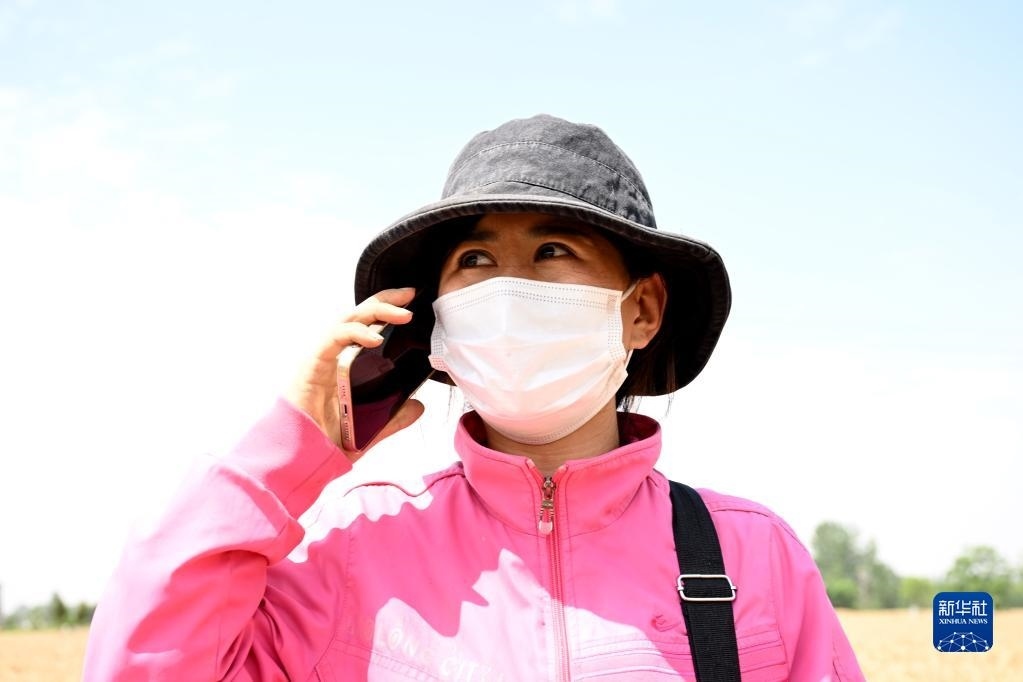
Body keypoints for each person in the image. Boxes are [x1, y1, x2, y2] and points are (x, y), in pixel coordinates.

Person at [84, 114, 865, 681]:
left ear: (641, 310)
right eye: (475, 260)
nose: (506, 290)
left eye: (551, 249)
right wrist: (285, 452)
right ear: (439, 322)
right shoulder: (355, 549)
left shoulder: (748, 556)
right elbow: (143, 666)